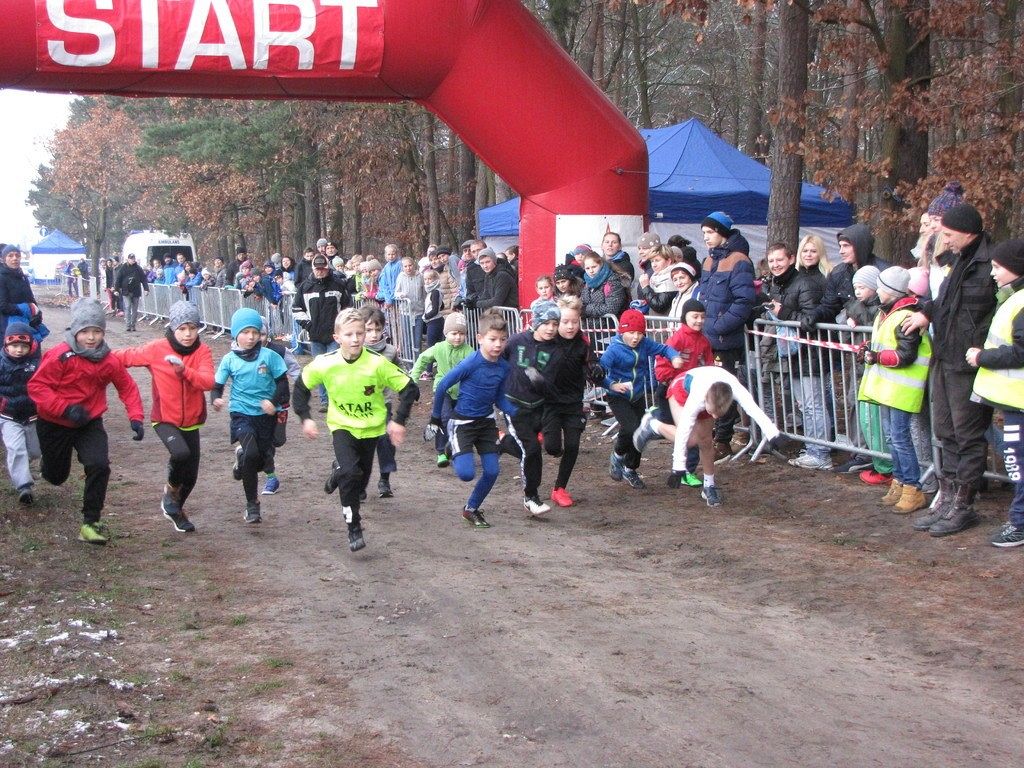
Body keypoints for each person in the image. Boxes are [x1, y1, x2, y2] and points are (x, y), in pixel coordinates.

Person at [903, 204, 996, 537]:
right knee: (945, 431)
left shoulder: (990, 265)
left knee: (967, 435)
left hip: (968, 363)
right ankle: (948, 497)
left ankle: (964, 506)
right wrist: (926, 312)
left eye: (948, 234)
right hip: (944, 358)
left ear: (967, 232)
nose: (944, 239)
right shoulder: (958, 261)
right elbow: (944, 301)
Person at [294, 308, 418, 552]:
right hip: (342, 427)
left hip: (372, 430)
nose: (355, 339)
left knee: (359, 484)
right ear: (337, 337)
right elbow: (300, 387)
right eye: (348, 334)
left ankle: (337, 472)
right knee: (350, 475)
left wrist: (399, 420)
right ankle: (354, 526)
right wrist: (305, 418)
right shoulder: (325, 363)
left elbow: (409, 388)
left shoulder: (377, 363)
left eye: (359, 333)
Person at [28, 300, 145, 544]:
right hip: (54, 422)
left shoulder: (109, 360)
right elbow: (37, 387)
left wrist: (136, 417)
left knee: (99, 464)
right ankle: (48, 465)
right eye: (85, 332)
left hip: (88, 422)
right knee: (56, 477)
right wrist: (65, 409)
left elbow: (127, 387)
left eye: (97, 331)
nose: (91, 338)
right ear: (75, 331)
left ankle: (90, 522)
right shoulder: (60, 355)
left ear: (103, 332)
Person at [112, 301, 215, 532]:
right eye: (182, 328)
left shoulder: (202, 351)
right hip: (164, 419)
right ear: (172, 327)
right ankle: (170, 492)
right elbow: (125, 357)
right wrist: (95, 355)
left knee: (190, 478)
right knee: (180, 453)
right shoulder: (157, 349)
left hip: (192, 421)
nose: (188, 334)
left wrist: (184, 371)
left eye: (192, 328)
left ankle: (176, 510)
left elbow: (208, 382)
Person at [428, 310, 516, 529]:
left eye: (503, 339)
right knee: (466, 474)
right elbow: (442, 386)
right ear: (480, 338)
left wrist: (517, 412)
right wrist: (435, 418)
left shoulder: (504, 367)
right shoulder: (471, 363)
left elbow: (499, 397)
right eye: (492, 339)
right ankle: (451, 444)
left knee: (493, 471)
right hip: (462, 423)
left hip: (486, 423)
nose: (498, 344)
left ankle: (471, 508)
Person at [650, 366, 782, 506]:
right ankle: (653, 424)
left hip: (711, 392)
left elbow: (753, 409)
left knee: (706, 441)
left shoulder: (736, 390)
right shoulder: (697, 398)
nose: (714, 417)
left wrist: (772, 432)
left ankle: (709, 486)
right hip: (682, 388)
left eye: (717, 414)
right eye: (711, 412)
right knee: (691, 440)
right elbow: (683, 431)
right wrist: (678, 468)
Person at [858, 267, 932, 515]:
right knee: (893, 437)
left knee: (900, 438)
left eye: (880, 287)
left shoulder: (905, 316)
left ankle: (912, 488)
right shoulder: (887, 313)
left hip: (902, 390)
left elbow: (905, 355)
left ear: (890, 290)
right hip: (889, 389)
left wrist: (876, 356)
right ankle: (900, 482)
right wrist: (868, 348)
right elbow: (885, 343)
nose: (877, 290)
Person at [967, 239, 1024, 547]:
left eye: (997, 267)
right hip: (1014, 401)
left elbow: (1020, 351)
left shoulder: (1021, 302)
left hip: (1018, 402)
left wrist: (982, 357)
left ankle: (1020, 523)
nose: (992, 273)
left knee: (1017, 461)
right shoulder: (1014, 298)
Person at [210, 307, 290, 526]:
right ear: (236, 333)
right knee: (252, 453)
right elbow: (217, 386)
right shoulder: (229, 360)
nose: (251, 337)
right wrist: (216, 399)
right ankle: (252, 505)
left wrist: (272, 402)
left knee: (261, 460)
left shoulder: (270, 356)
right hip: (241, 413)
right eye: (245, 332)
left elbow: (283, 384)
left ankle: (242, 460)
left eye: (255, 332)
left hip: (266, 415)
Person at [633, 299, 715, 487]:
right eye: (695, 316)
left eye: (702, 317)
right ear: (685, 317)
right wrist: (671, 379)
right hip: (670, 391)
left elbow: (708, 363)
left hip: (691, 392)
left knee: (690, 432)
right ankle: (652, 422)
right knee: (684, 432)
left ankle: (687, 471)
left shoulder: (704, 341)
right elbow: (661, 363)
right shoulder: (677, 339)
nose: (699, 320)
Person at [600, 309, 683, 490]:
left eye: (639, 333)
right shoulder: (614, 350)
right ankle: (617, 456)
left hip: (637, 396)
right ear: (622, 331)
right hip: (617, 397)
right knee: (630, 428)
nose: (636, 337)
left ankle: (631, 469)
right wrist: (612, 385)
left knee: (640, 434)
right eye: (631, 333)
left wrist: (674, 356)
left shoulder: (644, 344)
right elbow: (598, 372)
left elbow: (664, 348)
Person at [697, 212, 755, 456]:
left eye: (710, 232)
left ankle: (723, 439)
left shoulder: (739, 261)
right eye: (704, 233)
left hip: (725, 338)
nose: (706, 237)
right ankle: (711, 435)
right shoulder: (708, 261)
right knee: (708, 388)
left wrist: (719, 326)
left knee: (723, 390)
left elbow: (744, 302)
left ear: (722, 232)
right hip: (707, 336)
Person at [499, 301, 563, 516]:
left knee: (533, 451)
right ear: (536, 322)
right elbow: (499, 360)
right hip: (514, 405)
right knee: (532, 449)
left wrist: (540, 381)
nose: (551, 328)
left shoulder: (556, 350)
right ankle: (531, 497)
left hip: (539, 406)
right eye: (546, 323)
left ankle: (501, 442)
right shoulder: (516, 341)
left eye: (555, 324)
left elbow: (552, 385)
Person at [540, 296, 604, 506]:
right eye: (565, 322)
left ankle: (559, 489)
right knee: (552, 448)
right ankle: (543, 435)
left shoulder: (583, 342)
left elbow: (591, 363)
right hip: (550, 403)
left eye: (574, 322)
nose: (570, 327)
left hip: (574, 403)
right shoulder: (548, 342)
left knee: (573, 445)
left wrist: (596, 369)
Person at [291, 253, 353, 411]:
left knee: (334, 367)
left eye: (323, 269)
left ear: (327, 268)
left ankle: (335, 399)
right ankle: (325, 400)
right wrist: (308, 325)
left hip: (335, 336)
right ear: (313, 269)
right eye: (317, 269)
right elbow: (296, 309)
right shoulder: (305, 287)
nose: (320, 271)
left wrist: (342, 327)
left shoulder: (338, 284)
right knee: (320, 368)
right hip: (316, 336)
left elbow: (347, 307)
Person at [410, 312, 473, 467]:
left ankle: (454, 448)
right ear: (446, 333)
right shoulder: (439, 348)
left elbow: (477, 370)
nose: (458, 337)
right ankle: (441, 452)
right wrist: (413, 381)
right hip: (442, 390)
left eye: (461, 334)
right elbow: (422, 359)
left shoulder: (469, 352)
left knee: (459, 421)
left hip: (462, 392)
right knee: (445, 418)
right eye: (454, 333)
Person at [361, 306, 402, 498]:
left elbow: (399, 372)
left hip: (382, 403)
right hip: (358, 406)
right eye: (368, 330)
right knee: (362, 446)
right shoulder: (354, 350)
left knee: (386, 439)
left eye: (377, 329)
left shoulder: (390, 351)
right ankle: (358, 483)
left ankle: (384, 479)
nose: (374, 335)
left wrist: (407, 387)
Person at [0, 322, 41, 505]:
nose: (18, 350)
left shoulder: (36, 364)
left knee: (35, 450)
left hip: (33, 416)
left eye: (23, 346)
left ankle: (26, 465)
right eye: (14, 345)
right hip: (9, 416)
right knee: (16, 449)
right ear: (6, 345)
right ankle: (24, 486)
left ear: (30, 345)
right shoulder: (1, 363)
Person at [259, 320, 300, 496]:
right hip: (258, 407)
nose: (257, 338)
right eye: (253, 333)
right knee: (266, 444)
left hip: (280, 405)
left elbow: (294, 368)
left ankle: (246, 452)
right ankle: (271, 478)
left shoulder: (280, 351)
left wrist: (302, 385)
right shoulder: (243, 354)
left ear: (267, 334)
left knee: (278, 440)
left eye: (262, 334)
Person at [0, 245, 44, 341]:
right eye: (10, 255)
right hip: (8, 325)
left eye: (17, 255)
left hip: (26, 323)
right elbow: (2, 305)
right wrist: (25, 310)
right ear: (3, 260)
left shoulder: (22, 277)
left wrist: (37, 314)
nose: (15, 258)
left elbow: (30, 299)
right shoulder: (2, 277)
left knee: (31, 347)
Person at [581, 252, 629, 319]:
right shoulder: (587, 283)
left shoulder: (613, 281)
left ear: (601, 264)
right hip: (590, 324)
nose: (591, 271)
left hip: (610, 324)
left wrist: (586, 309)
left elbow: (611, 308)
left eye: (594, 267)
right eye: (587, 268)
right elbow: (582, 304)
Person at [394, 255, 426, 356]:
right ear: (402, 267)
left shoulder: (420, 276)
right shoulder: (401, 277)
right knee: (407, 338)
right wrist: (401, 295)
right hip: (405, 312)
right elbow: (396, 292)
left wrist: (425, 306)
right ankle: (409, 361)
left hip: (419, 311)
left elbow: (424, 293)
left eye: (410, 265)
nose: (408, 268)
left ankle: (417, 360)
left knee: (417, 339)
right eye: (406, 266)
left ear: (414, 265)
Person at [636, 245, 679, 315]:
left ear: (668, 261)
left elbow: (659, 306)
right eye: (652, 261)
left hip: (665, 320)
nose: (654, 265)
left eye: (657, 260)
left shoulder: (672, 278)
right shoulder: (655, 276)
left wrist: (645, 287)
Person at [113, 252, 149, 332]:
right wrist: (116, 289)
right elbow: (118, 279)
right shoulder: (123, 268)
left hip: (136, 291)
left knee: (135, 309)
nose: (132, 260)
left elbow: (143, 279)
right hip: (126, 291)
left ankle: (133, 325)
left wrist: (146, 289)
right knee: (128, 307)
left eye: (133, 258)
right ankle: (128, 325)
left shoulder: (138, 268)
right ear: (128, 259)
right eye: (131, 258)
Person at [421, 268, 446, 353]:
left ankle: (432, 362)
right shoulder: (434, 291)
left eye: (429, 279)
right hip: (436, 321)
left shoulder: (435, 292)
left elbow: (435, 310)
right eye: (425, 279)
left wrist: (425, 316)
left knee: (431, 347)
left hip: (434, 322)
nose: (427, 281)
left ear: (435, 279)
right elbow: (441, 306)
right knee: (437, 346)